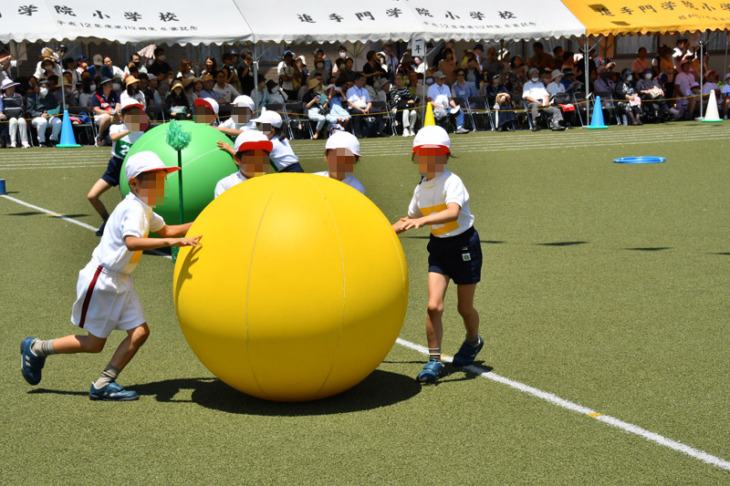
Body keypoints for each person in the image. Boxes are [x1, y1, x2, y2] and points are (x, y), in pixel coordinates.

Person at [21, 151, 201, 401]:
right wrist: (174, 241)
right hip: (102, 279)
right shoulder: (133, 209)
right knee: (94, 345)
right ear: (135, 183)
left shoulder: (144, 207)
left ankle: (104, 383)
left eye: (161, 180)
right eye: (152, 180)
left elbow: (168, 228)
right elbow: (132, 242)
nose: (159, 185)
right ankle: (36, 348)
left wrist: (204, 221)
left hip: (121, 281)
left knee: (139, 333)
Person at [392, 125, 483, 383]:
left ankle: (473, 341)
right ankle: (433, 361)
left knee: (464, 308)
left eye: (433, 155)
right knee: (434, 306)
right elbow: (408, 219)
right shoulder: (420, 188)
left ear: (444, 156)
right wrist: (383, 232)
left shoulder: (452, 181)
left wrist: (423, 221)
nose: (426, 160)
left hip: (465, 246)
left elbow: (453, 212)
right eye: (422, 155)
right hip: (440, 249)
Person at [88, 99, 149, 236]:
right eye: (130, 114)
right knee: (92, 196)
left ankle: (119, 228)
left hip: (130, 170)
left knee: (124, 204)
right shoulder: (116, 127)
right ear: (122, 116)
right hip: (115, 166)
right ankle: (106, 220)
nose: (134, 118)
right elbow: (114, 138)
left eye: (136, 115)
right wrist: (129, 130)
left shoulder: (141, 135)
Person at [214, 130, 273, 198]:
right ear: (237, 159)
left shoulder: (273, 183)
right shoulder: (226, 185)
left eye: (263, 156)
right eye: (251, 157)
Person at [314, 130, 365, 194]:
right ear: (326, 156)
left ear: (355, 161)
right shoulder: (313, 180)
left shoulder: (357, 188)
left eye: (348, 158)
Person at [27, 78, 62, 147]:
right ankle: (41, 141)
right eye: (43, 86)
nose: (45, 88)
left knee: (58, 121)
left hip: (49, 117)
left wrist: (53, 113)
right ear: (39, 87)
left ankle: (53, 140)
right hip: (36, 119)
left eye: (46, 87)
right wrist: (40, 114)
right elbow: (29, 111)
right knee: (42, 121)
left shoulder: (51, 96)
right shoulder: (31, 97)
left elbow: (55, 108)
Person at [1, 78, 30, 148]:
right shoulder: (1, 97)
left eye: (13, 87)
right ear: (5, 88)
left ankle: (25, 142)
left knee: (22, 121)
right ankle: (13, 142)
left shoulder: (18, 96)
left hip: (19, 116)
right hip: (7, 118)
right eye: (9, 88)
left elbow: (22, 108)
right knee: (13, 120)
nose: (12, 89)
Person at [92, 77, 121, 146]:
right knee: (107, 117)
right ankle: (99, 136)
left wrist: (115, 112)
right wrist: (108, 112)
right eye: (109, 83)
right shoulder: (97, 95)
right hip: (100, 115)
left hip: (114, 114)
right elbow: (96, 110)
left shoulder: (115, 94)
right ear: (103, 85)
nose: (111, 84)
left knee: (121, 117)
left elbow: (118, 106)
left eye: (111, 83)